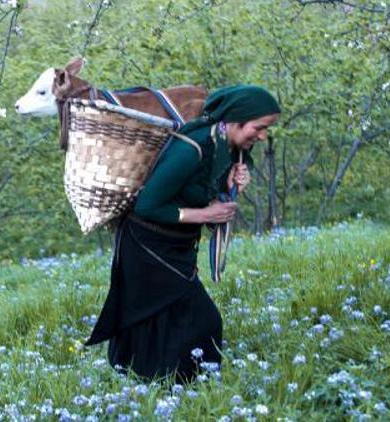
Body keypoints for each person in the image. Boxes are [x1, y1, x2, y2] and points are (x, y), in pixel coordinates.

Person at [85, 85, 281, 383]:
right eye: (260, 127)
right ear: (236, 119)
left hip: (176, 245)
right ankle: (181, 389)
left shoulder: (227, 148)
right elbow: (147, 205)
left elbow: (201, 191)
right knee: (200, 320)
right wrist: (206, 214)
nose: (263, 135)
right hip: (147, 243)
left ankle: (159, 389)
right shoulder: (191, 148)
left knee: (166, 321)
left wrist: (231, 184)